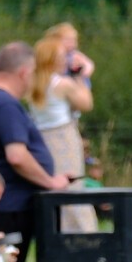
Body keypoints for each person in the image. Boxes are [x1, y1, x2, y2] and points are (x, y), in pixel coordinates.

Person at [0, 42, 69, 262]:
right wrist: (50, 182)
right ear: (24, 72)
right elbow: (16, 155)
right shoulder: (6, 104)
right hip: (12, 207)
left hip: (2, 204)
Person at [30, 26, 96, 232]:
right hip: (63, 137)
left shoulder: (33, 82)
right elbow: (86, 104)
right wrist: (82, 76)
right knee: (73, 186)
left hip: (42, 138)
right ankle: (81, 231)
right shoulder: (63, 83)